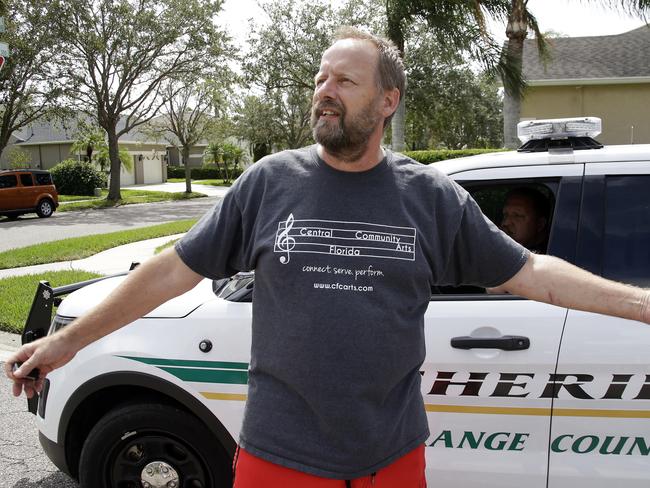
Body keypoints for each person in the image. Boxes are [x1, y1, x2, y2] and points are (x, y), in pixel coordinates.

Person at [5, 27, 650, 488]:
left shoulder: (428, 196)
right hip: (278, 458)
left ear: (387, 101)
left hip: (393, 459)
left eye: (344, 79)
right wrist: (68, 343)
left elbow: (531, 272)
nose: (324, 90)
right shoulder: (268, 182)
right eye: (320, 78)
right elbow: (175, 268)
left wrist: (641, 305)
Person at [500, 187, 550, 253]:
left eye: (517, 215)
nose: (506, 223)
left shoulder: (548, 258)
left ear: (540, 224)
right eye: (505, 215)